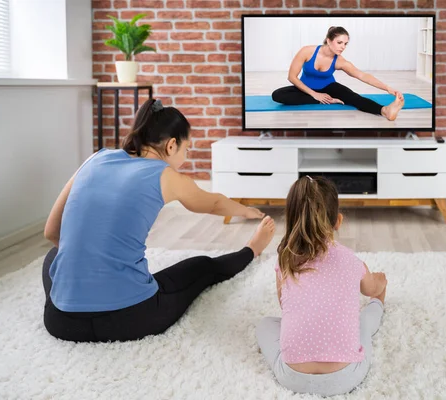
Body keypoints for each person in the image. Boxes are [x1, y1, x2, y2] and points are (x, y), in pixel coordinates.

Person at [42, 98, 276, 343]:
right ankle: (252, 249)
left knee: (53, 258)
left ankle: (77, 295)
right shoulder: (166, 175)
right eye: (186, 150)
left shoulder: (94, 159)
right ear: (172, 145)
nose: (185, 158)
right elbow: (215, 203)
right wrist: (247, 210)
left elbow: (52, 232)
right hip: (131, 319)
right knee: (201, 267)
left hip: (62, 322)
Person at [256, 176, 388, 397]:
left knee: (265, 324)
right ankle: (379, 307)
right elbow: (372, 287)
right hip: (346, 377)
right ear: (338, 220)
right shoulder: (350, 260)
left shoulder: (285, 260)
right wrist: (381, 282)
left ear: (292, 218)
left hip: (292, 377)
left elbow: (285, 306)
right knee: (362, 323)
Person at [271, 26, 405, 121]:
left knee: (353, 97)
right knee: (277, 95)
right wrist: (315, 95)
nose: (343, 47)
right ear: (329, 41)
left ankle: (384, 111)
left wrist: (388, 88)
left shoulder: (340, 61)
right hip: (305, 88)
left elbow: (362, 75)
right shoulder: (307, 51)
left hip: (329, 87)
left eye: (346, 44)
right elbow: (292, 77)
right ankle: (328, 100)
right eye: (339, 42)